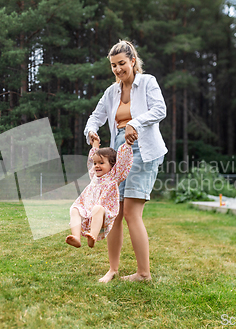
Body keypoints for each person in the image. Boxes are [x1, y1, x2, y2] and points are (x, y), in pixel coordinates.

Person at [84, 40, 168, 282]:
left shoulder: (148, 82)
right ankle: (113, 269)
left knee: (132, 212)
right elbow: (94, 117)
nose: (118, 69)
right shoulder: (112, 92)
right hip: (118, 154)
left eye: (122, 63)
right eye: (113, 66)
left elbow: (159, 110)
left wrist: (135, 123)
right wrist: (91, 131)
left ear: (132, 61)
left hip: (143, 148)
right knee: (114, 212)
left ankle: (143, 273)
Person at [66, 136, 133, 248]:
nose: (96, 166)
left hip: (103, 214)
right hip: (88, 211)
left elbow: (123, 163)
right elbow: (91, 160)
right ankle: (76, 237)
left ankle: (92, 236)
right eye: (95, 163)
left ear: (112, 165)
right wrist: (95, 144)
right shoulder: (94, 176)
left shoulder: (114, 177)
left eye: (101, 163)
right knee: (74, 209)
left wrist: (127, 145)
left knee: (98, 208)